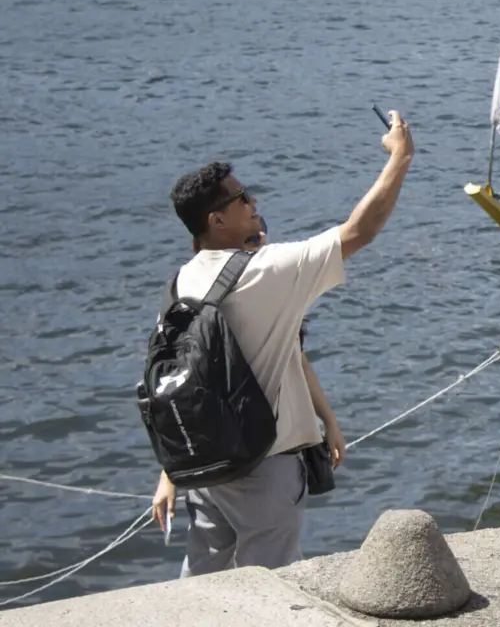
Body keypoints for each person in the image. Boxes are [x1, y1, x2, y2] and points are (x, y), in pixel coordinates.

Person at [152, 111, 414, 576]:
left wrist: (172, 470)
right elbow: (359, 231)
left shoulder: (182, 282)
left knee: (203, 586)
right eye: (241, 197)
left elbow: (185, 381)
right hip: (264, 468)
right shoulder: (266, 270)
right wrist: (401, 156)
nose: (253, 200)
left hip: (207, 469)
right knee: (270, 590)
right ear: (217, 219)